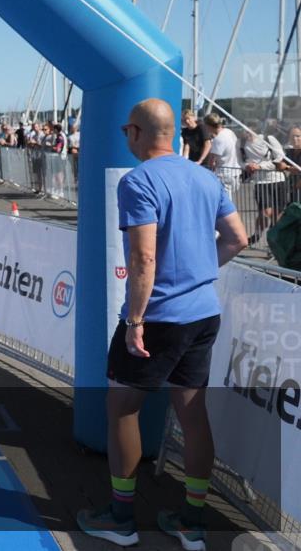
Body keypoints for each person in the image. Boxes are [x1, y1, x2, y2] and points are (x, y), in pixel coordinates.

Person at [77, 99, 247, 550]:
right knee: (193, 416)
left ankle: (122, 518)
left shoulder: (139, 181)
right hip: (202, 313)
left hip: (159, 317)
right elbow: (239, 238)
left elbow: (144, 258)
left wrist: (135, 320)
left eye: (124, 131)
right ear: (172, 133)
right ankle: (192, 521)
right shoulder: (205, 177)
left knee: (121, 410)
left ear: (134, 132)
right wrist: (197, 273)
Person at [239, 128, 288, 244]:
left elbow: (280, 157)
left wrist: (260, 166)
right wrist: (247, 166)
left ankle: (275, 241)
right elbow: (240, 161)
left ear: (254, 129)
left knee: (277, 214)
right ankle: (257, 235)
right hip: (260, 182)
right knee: (265, 212)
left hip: (277, 179)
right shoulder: (241, 143)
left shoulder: (268, 139)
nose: (246, 134)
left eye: (248, 131)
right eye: (244, 131)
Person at [203, 113, 241, 194]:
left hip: (224, 174)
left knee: (224, 202)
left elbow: (212, 161)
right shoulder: (229, 132)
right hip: (236, 172)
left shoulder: (218, 139)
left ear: (209, 126)